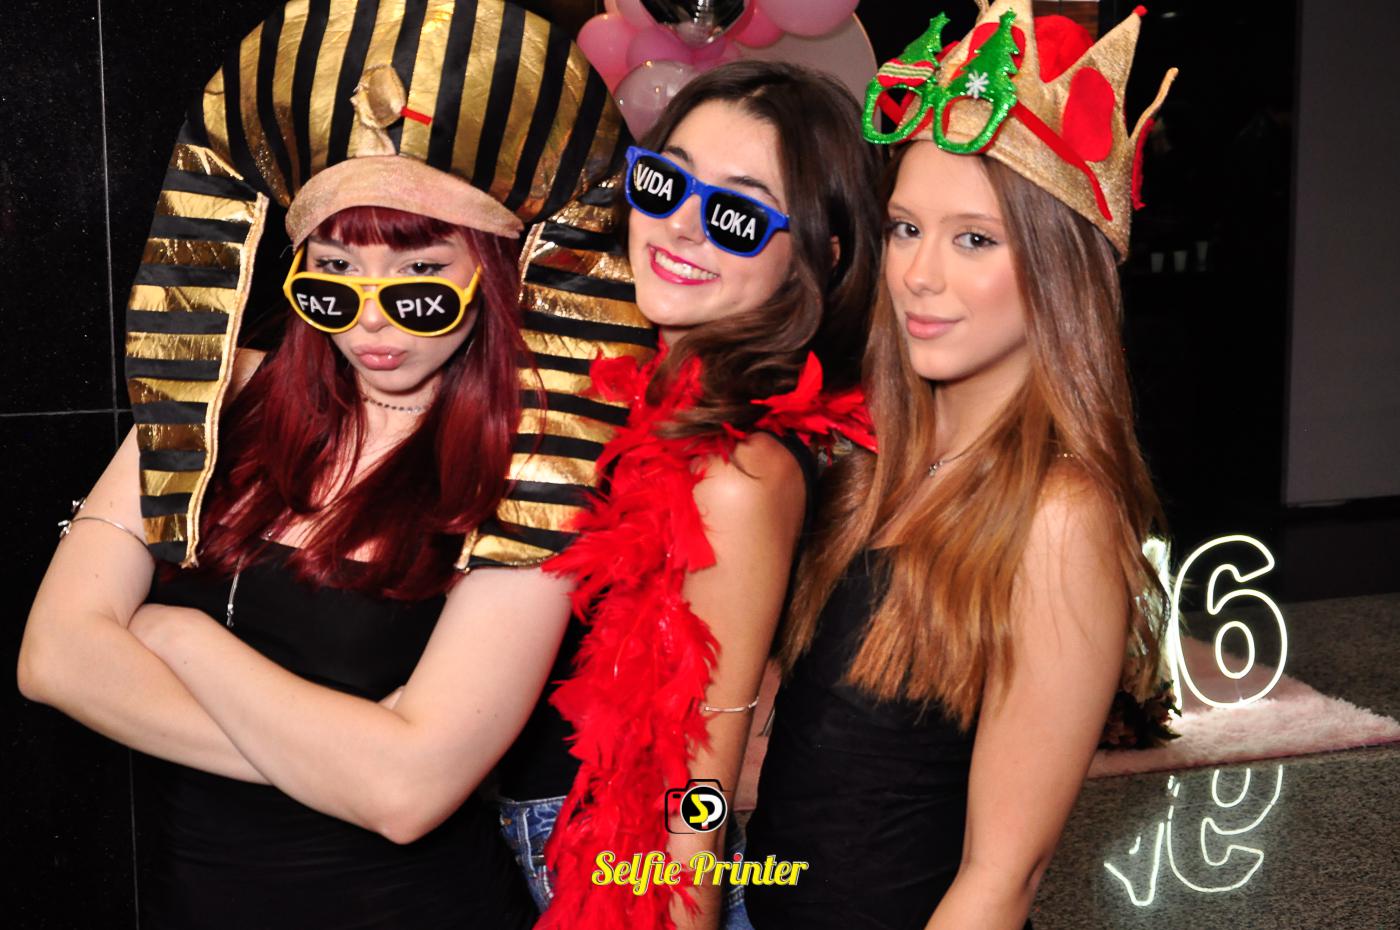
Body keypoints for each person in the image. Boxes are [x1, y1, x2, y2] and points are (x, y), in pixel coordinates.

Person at [16, 1, 637, 926]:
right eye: (334, 275)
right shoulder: (216, 393)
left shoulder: (540, 458)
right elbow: (54, 657)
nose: (373, 319)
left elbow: (409, 794)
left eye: (420, 277)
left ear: (495, 271)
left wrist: (179, 639)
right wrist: (353, 754)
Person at [743, 4, 1178, 929]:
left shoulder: (1060, 515)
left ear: (1058, 269)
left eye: (973, 239)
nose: (919, 275)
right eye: (906, 229)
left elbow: (1002, 877)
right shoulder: (873, 464)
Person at [493, 60, 883, 930]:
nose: (680, 224)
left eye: (737, 215)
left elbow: (699, 779)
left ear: (817, 257)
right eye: (665, 182)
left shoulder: (740, 473)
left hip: (631, 875)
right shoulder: (639, 395)